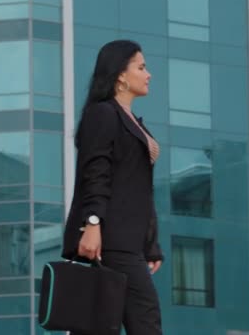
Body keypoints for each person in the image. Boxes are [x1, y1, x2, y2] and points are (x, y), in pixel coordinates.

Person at [62, 40, 164, 335]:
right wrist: (92, 223)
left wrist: (150, 243)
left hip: (129, 242)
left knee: (101, 325)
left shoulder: (134, 122)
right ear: (120, 74)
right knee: (144, 320)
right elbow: (96, 173)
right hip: (111, 240)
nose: (149, 74)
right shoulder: (103, 114)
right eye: (141, 67)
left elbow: (139, 188)